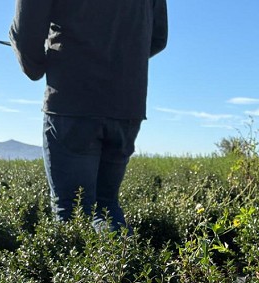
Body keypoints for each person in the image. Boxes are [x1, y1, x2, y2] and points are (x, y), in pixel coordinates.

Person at [9, 0, 168, 231]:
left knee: (73, 216)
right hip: (126, 104)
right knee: (106, 207)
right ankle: (126, 266)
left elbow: (26, 34)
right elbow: (158, 38)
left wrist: (37, 65)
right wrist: (119, 61)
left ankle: (92, 265)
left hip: (73, 101)